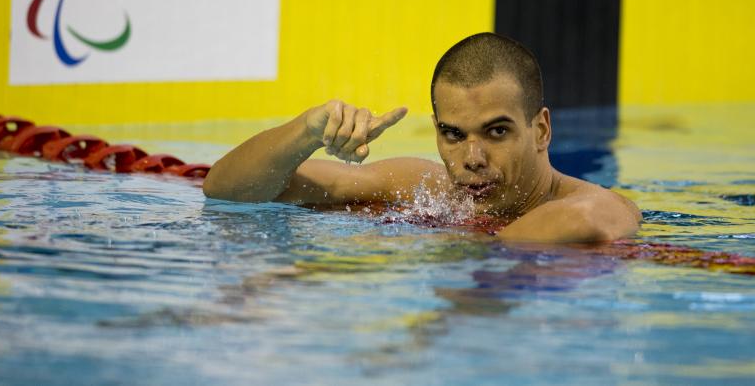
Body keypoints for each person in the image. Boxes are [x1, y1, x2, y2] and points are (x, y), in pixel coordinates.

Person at [203, 32, 641, 243]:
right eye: (453, 134)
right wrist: (306, 131)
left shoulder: (591, 203)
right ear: (436, 130)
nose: (472, 157)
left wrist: (461, 245)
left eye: (497, 132)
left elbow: (585, 221)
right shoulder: (426, 187)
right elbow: (227, 190)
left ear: (541, 129)